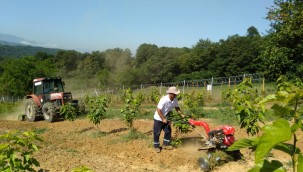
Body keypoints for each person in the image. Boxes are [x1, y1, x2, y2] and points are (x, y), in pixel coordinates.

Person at [153, 86, 185, 153]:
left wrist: (181, 114)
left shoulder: (175, 100)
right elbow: (158, 110)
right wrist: (163, 118)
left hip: (166, 117)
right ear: (170, 94)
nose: (176, 95)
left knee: (168, 131)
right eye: (174, 94)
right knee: (157, 133)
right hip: (158, 118)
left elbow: (177, 108)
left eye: (176, 94)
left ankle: (165, 144)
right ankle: (156, 146)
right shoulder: (164, 99)